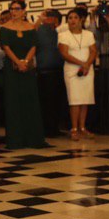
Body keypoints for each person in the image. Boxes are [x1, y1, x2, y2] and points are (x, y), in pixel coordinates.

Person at [0, 0, 49, 150]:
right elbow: (6, 47)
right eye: (12, 9)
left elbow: (34, 46)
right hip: (12, 68)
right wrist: (18, 62)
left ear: (24, 11)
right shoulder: (5, 28)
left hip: (27, 68)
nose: (14, 12)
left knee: (30, 100)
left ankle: (33, 138)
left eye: (17, 9)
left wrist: (25, 62)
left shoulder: (30, 27)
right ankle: (15, 139)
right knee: (13, 102)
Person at [58, 7, 97, 140]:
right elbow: (64, 53)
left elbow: (93, 51)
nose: (72, 20)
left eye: (75, 18)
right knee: (74, 100)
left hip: (87, 70)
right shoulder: (63, 35)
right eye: (70, 18)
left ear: (81, 20)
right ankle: (74, 128)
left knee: (85, 99)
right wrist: (82, 63)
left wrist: (87, 64)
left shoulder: (88, 34)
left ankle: (82, 127)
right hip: (72, 70)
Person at [35, 9, 66, 137]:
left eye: (49, 16)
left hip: (58, 71)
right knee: (47, 103)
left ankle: (54, 128)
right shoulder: (41, 30)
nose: (47, 19)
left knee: (56, 102)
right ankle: (47, 129)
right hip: (45, 71)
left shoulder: (60, 31)